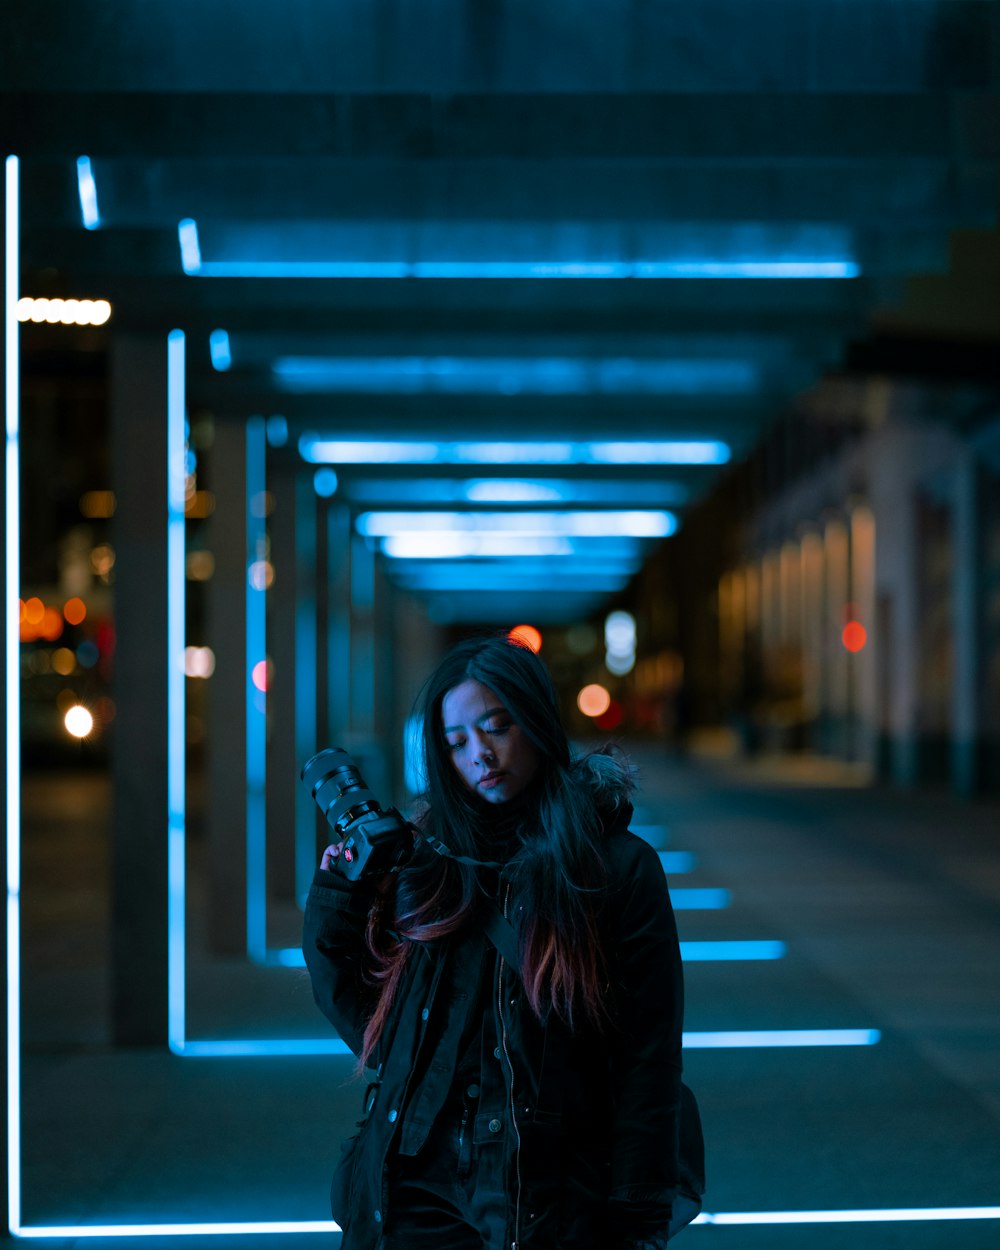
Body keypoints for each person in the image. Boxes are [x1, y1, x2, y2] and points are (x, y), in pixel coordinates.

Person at [302, 635, 703, 1250]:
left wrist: (637, 1212)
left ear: (535, 721)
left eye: (496, 727)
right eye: (457, 742)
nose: (480, 756)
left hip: (542, 1178)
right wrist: (339, 892)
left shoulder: (614, 867)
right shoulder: (426, 861)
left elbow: (648, 1053)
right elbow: (378, 1034)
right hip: (415, 1172)